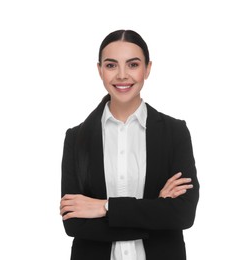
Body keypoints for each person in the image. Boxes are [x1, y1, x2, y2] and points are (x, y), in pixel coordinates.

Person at [60, 29, 199, 260]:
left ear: (148, 69)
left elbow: (183, 214)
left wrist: (104, 207)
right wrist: (155, 210)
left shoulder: (175, 132)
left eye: (133, 65)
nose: (122, 75)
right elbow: (74, 224)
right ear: (100, 70)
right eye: (111, 65)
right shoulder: (76, 138)